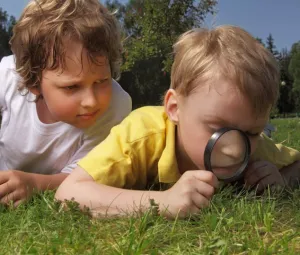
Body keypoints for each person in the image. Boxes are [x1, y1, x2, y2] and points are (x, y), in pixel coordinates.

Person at [55, 26, 300, 219]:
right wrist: (163, 203)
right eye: (216, 129)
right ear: (174, 108)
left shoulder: (254, 145)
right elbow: (68, 194)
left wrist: (280, 181)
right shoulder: (141, 135)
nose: (236, 150)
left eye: (252, 132)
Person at [0, 0, 132, 206]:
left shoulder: (115, 106)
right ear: (33, 82)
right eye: (71, 87)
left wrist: (34, 183)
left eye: (101, 81)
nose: (91, 101)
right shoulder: (6, 78)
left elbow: (83, 179)